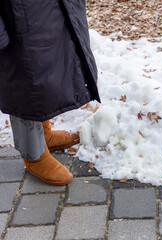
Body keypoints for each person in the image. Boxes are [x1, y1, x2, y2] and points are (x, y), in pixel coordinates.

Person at [0, 1, 100, 185]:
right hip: (16, 14)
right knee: (24, 78)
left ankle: (44, 134)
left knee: (42, 71)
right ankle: (34, 155)